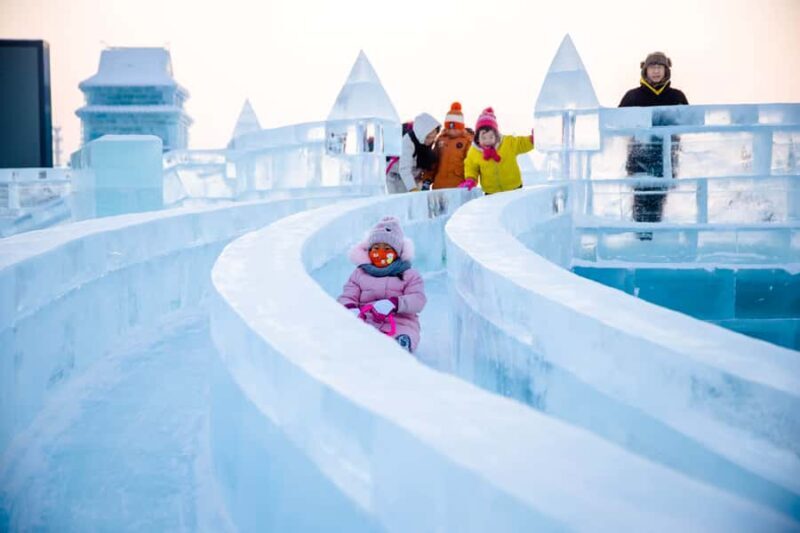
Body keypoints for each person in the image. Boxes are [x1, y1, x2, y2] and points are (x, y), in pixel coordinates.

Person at [619, 51, 689, 238]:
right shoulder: (632, 97)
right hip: (638, 160)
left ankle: (656, 241)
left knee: (659, 202)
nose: (656, 71)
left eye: (660, 67)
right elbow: (618, 125)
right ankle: (640, 240)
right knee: (641, 203)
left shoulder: (677, 96)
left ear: (666, 71)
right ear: (645, 70)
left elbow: (689, 124)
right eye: (652, 67)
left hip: (665, 160)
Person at [338, 216, 426, 352]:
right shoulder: (359, 273)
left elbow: (418, 299)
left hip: (400, 322)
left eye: (386, 249)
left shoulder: (409, 275)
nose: (380, 253)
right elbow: (347, 296)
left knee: (404, 336)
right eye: (376, 248)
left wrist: (395, 304)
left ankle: (401, 346)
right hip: (365, 320)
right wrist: (350, 308)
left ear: (396, 253)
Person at [463, 107, 534, 194]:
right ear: (477, 138)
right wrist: (471, 179)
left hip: (514, 188)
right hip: (491, 192)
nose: (487, 141)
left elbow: (521, 143)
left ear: (496, 136)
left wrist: (532, 139)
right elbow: (471, 167)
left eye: (491, 137)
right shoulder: (474, 152)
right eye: (484, 137)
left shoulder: (507, 143)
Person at [386, 113, 441, 194]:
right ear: (422, 133)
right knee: (402, 203)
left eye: (433, 137)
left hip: (412, 178)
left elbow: (424, 162)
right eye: (428, 137)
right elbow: (404, 169)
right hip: (395, 178)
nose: (430, 141)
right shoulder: (408, 141)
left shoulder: (426, 144)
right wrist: (413, 189)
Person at [429, 102, 474, 189]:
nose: (452, 130)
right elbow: (433, 161)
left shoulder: (467, 142)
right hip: (439, 186)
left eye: (455, 127)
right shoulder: (440, 140)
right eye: (449, 127)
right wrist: (427, 179)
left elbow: (471, 164)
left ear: (461, 127)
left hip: (458, 187)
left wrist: (471, 180)